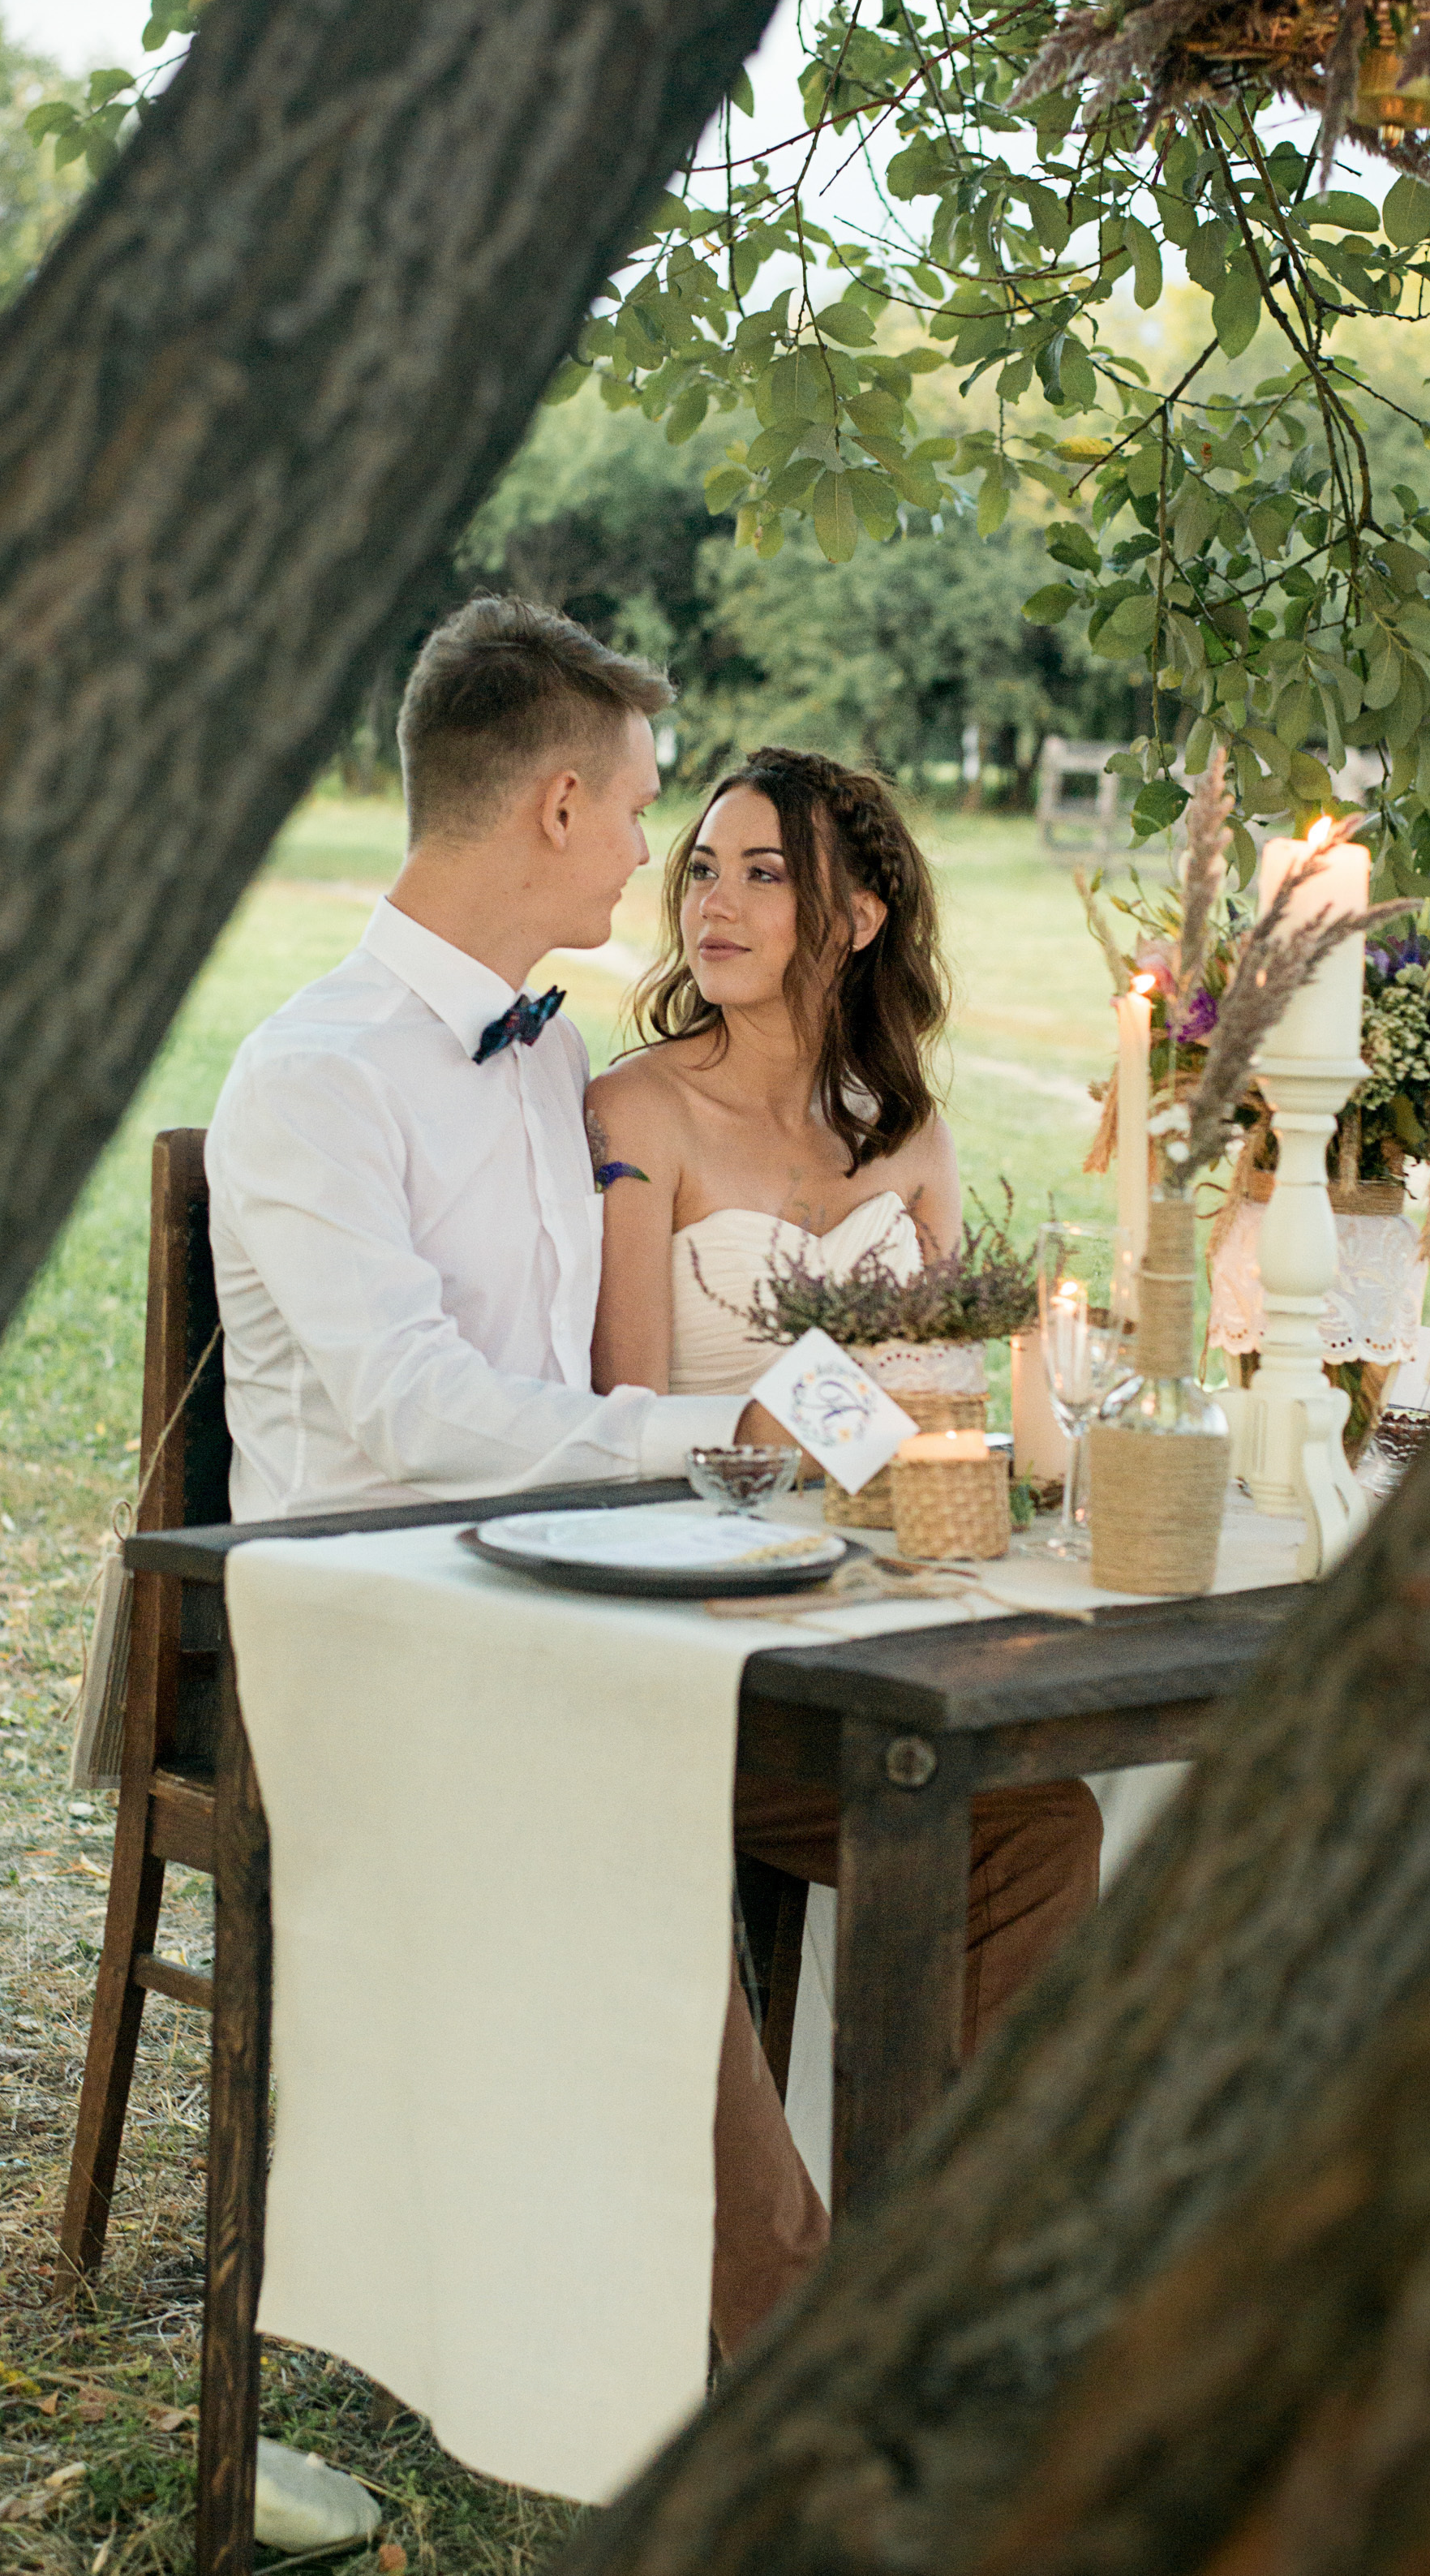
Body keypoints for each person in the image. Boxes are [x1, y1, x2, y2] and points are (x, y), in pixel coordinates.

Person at [588, 749, 1102, 2352]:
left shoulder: (915, 1134)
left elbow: (967, 1422)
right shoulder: (635, 1110)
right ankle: (788, 2327)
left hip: (866, 1613)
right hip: (667, 1622)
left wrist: (1018, 1408)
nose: (717, 902)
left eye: (767, 873)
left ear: (860, 913)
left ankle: (964, 2267)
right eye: (701, 867)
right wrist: (837, 1382)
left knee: (1039, 1820)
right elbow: (611, 1413)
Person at [205, 595, 756, 1519]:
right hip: (363, 1601)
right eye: (635, 810)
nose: (642, 851)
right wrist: (727, 1434)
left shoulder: (553, 1054)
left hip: (556, 1565)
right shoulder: (314, 1077)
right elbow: (413, 1414)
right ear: (563, 806)